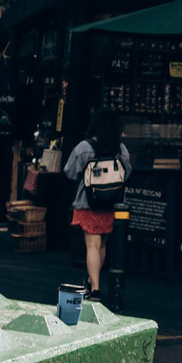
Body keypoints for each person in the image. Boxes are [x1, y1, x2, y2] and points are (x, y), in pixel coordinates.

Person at [64, 111, 129, 302]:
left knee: (91, 245)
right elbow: (127, 173)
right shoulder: (121, 149)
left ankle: (95, 288)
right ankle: (94, 281)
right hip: (111, 203)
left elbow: (69, 171)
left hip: (88, 201)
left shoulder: (85, 147)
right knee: (102, 244)